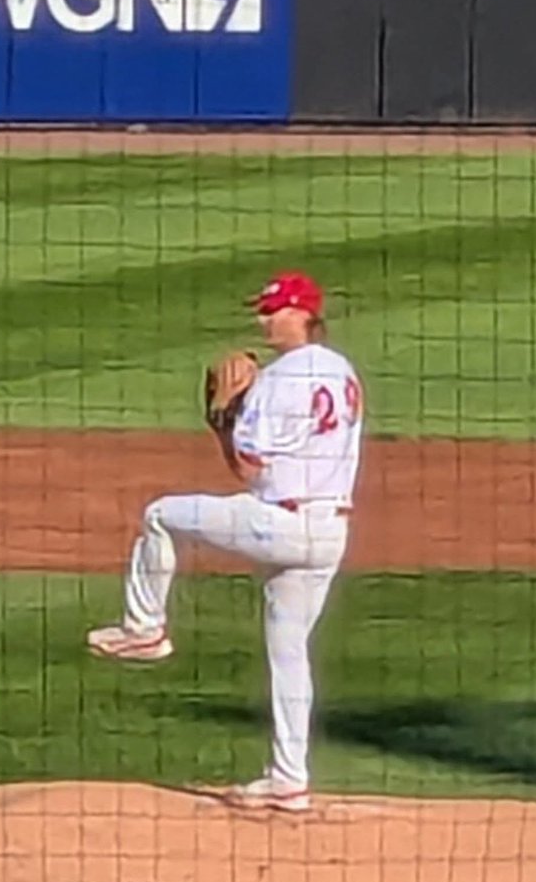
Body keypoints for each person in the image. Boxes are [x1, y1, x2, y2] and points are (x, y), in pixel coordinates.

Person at [87, 272, 364, 813]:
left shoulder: (280, 378)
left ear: (301, 313)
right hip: (330, 532)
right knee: (289, 652)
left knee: (161, 515)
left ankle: (143, 630)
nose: (261, 319)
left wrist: (222, 417)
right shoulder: (341, 369)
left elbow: (246, 468)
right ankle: (289, 778)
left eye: (271, 310)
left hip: (281, 526)